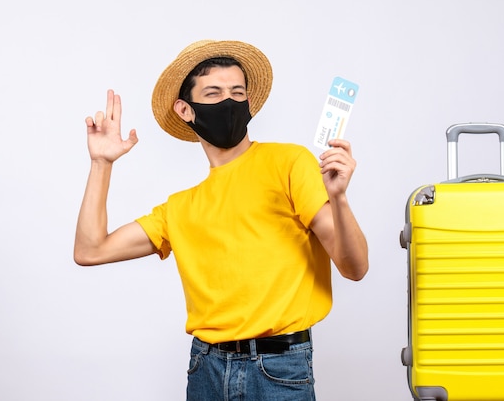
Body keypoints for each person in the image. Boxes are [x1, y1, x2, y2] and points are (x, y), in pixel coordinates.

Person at [74, 39, 368, 400]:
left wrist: (338, 198)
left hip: (278, 370)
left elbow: (354, 267)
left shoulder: (290, 163)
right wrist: (101, 164)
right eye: (213, 94)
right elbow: (90, 250)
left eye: (237, 92)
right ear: (185, 109)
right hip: (206, 371)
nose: (228, 102)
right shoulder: (179, 208)